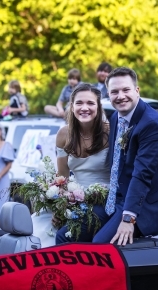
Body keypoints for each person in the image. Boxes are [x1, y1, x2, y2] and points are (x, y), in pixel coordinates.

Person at [76, 67, 158, 245]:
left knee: (100, 245)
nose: (121, 96)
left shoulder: (153, 125)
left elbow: (142, 174)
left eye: (126, 90)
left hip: (146, 205)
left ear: (137, 91)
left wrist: (128, 219)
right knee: (67, 235)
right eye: (114, 91)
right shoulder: (116, 117)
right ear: (108, 94)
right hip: (118, 200)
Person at [51, 83, 110, 246]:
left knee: (65, 237)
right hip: (76, 200)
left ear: (98, 106)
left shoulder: (110, 132)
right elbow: (62, 176)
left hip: (104, 201)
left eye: (90, 103)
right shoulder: (64, 134)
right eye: (79, 103)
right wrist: (60, 208)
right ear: (72, 106)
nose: (85, 108)